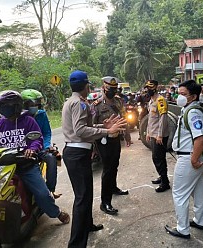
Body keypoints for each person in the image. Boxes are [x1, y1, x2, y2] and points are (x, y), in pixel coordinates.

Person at [0, 90, 70, 224]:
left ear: (16, 106)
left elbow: (37, 138)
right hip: (3, 167)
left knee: (42, 194)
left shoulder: (28, 121)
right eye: (0, 105)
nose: (2, 109)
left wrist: (32, 149)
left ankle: (56, 212)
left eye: (5, 105)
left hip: (25, 166)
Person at [62, 70, 126, 248]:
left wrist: (101, 125)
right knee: (82, 198)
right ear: (86, 86)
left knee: (86, 195)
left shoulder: (76, 101)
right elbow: (80, 130)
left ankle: (87, 225)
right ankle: (76, 244)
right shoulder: (79, 104)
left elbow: (86, 126)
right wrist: (107, 131)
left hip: (79, 153)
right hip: (76, 153)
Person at [165, 79, 203, 239]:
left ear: (193, 96)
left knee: (179, 193)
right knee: (198, 191)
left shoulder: (193, 112)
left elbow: (201, 138)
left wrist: (194, 159)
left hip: (189, 157)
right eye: (178, 93)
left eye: (183, 94)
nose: (179, 96)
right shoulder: (189, 110)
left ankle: (183, 229)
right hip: (192, 155)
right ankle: (199, 220)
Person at [92, 76, 131, 215]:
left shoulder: (119, 101)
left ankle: (113, 188)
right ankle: (105, 202)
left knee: (115, 164)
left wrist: (127, 135)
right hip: (103, 140)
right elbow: (91, 126)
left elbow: (124, 118)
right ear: (104, 88)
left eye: (114, 89)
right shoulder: (96, 104)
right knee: (107, 169)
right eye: (110, 89)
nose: (112, 92)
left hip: (116, 139)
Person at [21, 89, 61, 199]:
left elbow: (46, 132)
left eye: (37, 104)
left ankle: (50, 190)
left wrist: (47, 146)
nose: (35, 106)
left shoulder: (42, 114)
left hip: (40, 148)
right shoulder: (19, 118)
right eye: (32, 104)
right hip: (23, 151)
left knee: (53, 158)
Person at [145, 79, 170, 192]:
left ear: (155, 88)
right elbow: (150, 119)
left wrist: (160, 135)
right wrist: (148, 132)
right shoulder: (151, 101)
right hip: (153, 134)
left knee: (158, 158)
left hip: (160, 135)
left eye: (150, 88)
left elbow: (163, 119)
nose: (147, 90)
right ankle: (162, 176)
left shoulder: (160, 100)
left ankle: (165, 183)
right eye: (147, 88)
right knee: (157, 158)